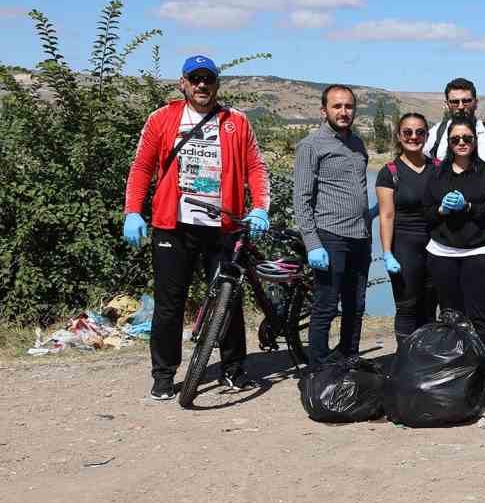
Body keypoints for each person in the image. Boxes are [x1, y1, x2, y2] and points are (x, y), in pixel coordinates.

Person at [122, 55, 271, 399]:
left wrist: (260, 207)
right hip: (173, 226)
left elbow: (256, 169)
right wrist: (133, 211)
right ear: (183, 83)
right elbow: (142, 167)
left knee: (228, 300)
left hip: (223, 226)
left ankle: (234, 369)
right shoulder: (162, 118)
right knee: (169, 304)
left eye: (208, 79)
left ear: (217, 83)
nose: (202, 85)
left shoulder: (236, 122)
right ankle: (163, 374)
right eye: (195, 79)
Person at [293, 84, 372, 366]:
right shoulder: (311, 146)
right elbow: (301, 200)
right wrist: (313, 243)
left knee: (356, 305)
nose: (343, 111)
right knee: (326, 305)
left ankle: (349, 359)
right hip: (329, 236)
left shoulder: (357, 144)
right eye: (337, 106)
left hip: (361, 237)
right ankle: (318, 368)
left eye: (348, 106)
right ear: (323, 110)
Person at [423, 114, 485, 347]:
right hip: (443, 253)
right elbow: (425, 215)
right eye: (455, 138)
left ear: (475, 141)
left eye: (467, 137)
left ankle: (483, 366)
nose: (461, 142)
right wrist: (441, 210)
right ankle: (457, 366)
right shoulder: (436, 175)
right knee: (451, 317)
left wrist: (468, 207)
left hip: (478, 251)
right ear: (448, 142)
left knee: (480, 316)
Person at [375, 112, 436, 341]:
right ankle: (405, 363)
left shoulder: (437, 168)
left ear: (426, 136)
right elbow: (387, 215)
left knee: (430, 308)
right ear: (399, 136)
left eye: (419, 132)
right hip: (404, 246)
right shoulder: (389, 172)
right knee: (408, 306)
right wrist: (387, 253)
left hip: (435, 247)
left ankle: (428, 360)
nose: (413, 137)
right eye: (407, 132)